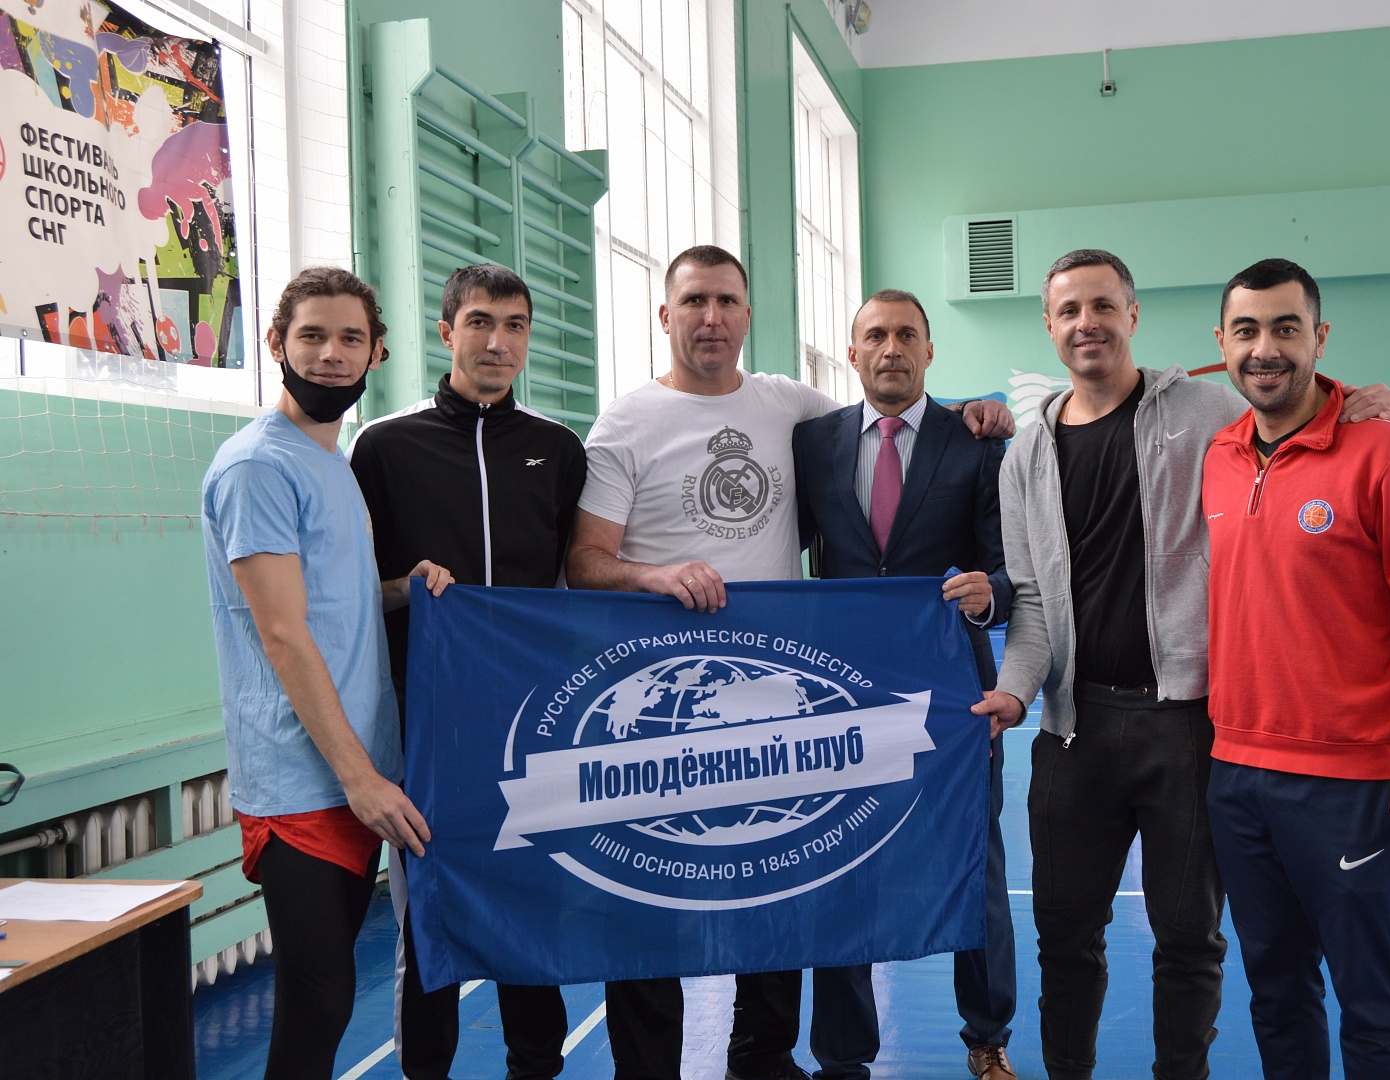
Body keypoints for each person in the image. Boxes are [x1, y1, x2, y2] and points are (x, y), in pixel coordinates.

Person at [566, 245, 1012, 1080]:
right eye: (693, 301)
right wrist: (654, 575)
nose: (711, 317)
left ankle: (763, 1058)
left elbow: (892, 412)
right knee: (660, 888)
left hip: (777, 692)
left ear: (747, 314)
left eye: (726, 301)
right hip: (666, 695)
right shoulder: (626, 421)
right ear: (664, 315)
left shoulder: (791, 409)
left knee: (779, 870)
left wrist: (975, 410)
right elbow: (585, 561)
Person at [972, 249, 1390, 1080]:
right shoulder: (1025, 455)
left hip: (1187, 724)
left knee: (1189, 940)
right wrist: (1015, 692)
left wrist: (1361, 405)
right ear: (1050, 325)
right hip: (1073, 730)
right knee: (1064, 938)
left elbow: (1291, 408)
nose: (1087, 323)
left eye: (1103, 305)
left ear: (1132, 315)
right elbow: (1030, 601)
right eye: (1070, 310)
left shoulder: (1207, 411)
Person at [1202, 258, 1390, 1079]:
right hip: (1235, 776)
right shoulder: (1220, 456)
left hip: (1353, 786)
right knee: (1276, 994)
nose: (1265, 349)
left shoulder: (1388, 452)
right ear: (1222, 343)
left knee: (1371, 1003)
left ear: (1320, 337)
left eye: (1286, 328)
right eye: (1247, 330)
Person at [349, 264, 585, 1079]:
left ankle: (536, 1067)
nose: (497, 341)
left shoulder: (558, 449)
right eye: (480, 322)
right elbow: (352, 592)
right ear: (447, 331)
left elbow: (576, 585)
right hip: (427, 735)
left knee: (533, 911)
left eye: (515, 325)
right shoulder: (384, 446)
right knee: (430, 922)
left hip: (531, 730)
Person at [201, 267, 433, 1079]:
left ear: (376, 354)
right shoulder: (257, 466)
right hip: (305, 781)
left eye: (349, 338)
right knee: (320, 997)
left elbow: (329, 599)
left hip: (354, 769)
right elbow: (283, 632)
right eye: (312, 336)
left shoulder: (331, 461)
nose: (331, 354)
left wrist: (403, 587)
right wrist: (360, 779)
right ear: (276, 343)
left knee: (325, 1001)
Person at [792, 289, 1017, 1080]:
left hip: (951, 695)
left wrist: (991, 596)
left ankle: (987, 1038)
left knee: (973, 865)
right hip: (840, 694)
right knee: (838, 867)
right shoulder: (811, 442)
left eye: (907, 335)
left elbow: (1009, 569)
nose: (891, 348)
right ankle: (843, 1058)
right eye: (876, 336)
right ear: (853, 352)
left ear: (929, 351)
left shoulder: (976, 441)